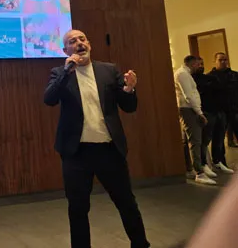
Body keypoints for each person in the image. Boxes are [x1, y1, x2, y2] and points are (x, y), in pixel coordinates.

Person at [44, 29, 149, 248]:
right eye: (72, 41)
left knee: (126, 203)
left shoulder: (108, 70)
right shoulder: (60, 73)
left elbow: (128, 107)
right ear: (65, 50)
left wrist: (129, 89)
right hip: (76, 153)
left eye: (82, 39)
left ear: (89, 44)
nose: (79, 43)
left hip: (109, 150)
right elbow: (50, 99)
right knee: (78, 208)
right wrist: (66, 71)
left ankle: (140, 244)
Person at [174, 55, 215, 185]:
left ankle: (189, 169)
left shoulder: (185, 74)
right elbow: (189, 95)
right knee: (195, 140)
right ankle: (199, 172)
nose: (199, 66)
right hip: (188, 109)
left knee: (187, 140)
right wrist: (199, 112)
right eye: (198, 64)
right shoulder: (182, 74)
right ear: (192, 64)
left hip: (189, 109)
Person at [191, 57, 221, 179]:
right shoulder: (190, 79)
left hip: (211, 111)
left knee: (207, 139)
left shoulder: (209, 78)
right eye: (198, 64)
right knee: (199, 141)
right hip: (199, 112)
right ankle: (202, 165)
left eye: (202, 64)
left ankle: (210, 163)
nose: (201, 66)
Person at [208, 52, 238, 173]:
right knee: (219, 138)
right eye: (220, 60)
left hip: (235, 109)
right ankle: (220, 162)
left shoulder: (234, 75)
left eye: (225, 60)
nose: (223, 62)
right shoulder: (210, 77)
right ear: (215, 61)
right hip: (219, 111)